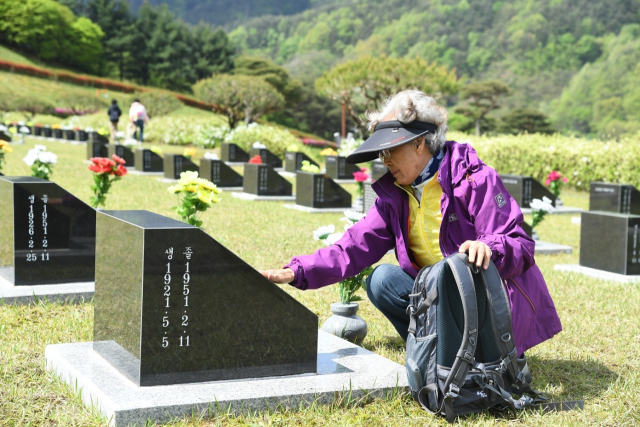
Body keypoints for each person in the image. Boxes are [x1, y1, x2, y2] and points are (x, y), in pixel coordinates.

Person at [261, 90, 561, 356]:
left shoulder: (475, 179)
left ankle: (480, 352)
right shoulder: (396, 194)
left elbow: (519, 244)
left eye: (391, 149)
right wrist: (297, 270)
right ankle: (439, 351)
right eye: (381, 152)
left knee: (455, 282)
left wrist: (488, 247)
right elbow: (352, 248)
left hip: (486, 305)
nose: (384, 159)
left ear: (419, 144)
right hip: (443, 301)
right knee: (382, 280)